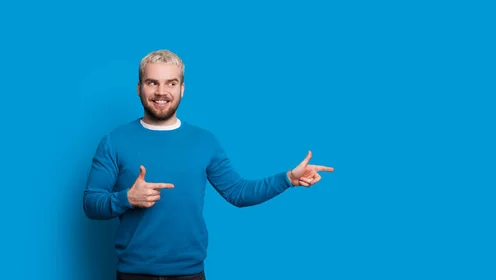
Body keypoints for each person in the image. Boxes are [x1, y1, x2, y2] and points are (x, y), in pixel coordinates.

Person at [82, 49, 334, 280]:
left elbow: (238, 192)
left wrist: (288, 179)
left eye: (171, 83)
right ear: (139, 88)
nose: (161, 92)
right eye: (152, 83)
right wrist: (126, 198)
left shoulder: (204, 141)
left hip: (189, 274)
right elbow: (91, 203)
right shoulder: (114, 141)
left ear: (182, 88)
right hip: (133, 274)